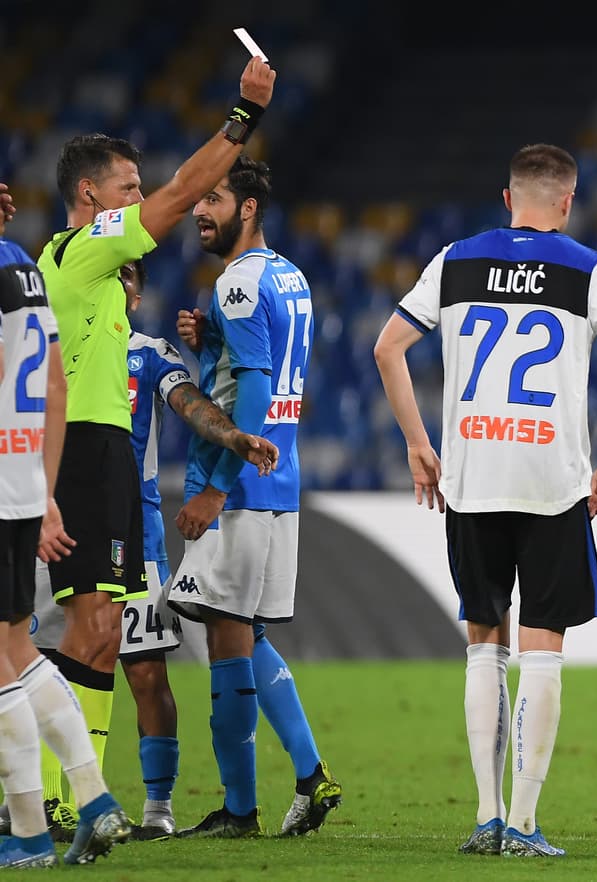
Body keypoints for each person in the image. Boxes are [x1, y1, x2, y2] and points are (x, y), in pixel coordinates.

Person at [373, 143, 597, 857]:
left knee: (483, 644)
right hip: (551, 481)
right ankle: (526, 825)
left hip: (471, 476)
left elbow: (387, 348)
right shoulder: (590, 268)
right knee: (544, 650)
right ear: (567, 200)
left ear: (507, 198)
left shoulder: (456, 259)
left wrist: (417, 443)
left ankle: (487, 815)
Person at [33, 57, 276, 824]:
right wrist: (243, 116)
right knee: (85, 630)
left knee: (103, 633)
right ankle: (37, 800)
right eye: (126, 187)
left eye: (138, 187)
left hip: (105, 456)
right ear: (90, 197)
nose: (141, 197)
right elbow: (176, 197)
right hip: (82, 451)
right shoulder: (79, 250)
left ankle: (71, 804)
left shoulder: (95, 278)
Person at [26, 259, 279, 841]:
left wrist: (230, 432)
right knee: (47, 667)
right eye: (109, 275)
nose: (118, 284)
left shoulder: (151, 354)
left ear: (137, 296)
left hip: (132, 534)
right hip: (55, 526)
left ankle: (157, 810)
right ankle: (53, 800)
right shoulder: (59, 349)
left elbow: (189, 399)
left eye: (129, 277)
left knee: (144, 674)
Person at [168, 155, 342, 839]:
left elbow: (258, 387)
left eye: (212, 198)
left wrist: (214, 487)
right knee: (245, 632)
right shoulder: (286, 273)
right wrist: (210, 339)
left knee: (226, 638)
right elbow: (265, 362)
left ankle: (242, 809)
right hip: (282, 481)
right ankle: (307, 776)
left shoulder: (236, 282)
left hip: (242, 486)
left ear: (247, 208)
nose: (197, 211)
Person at [0, 183, 130, 866]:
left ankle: (26, 829)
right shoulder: (23, 268)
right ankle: (92, 797)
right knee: (17, 651)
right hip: (22, 483)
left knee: (6, 659)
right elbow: (55, 386)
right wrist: (43, 492)